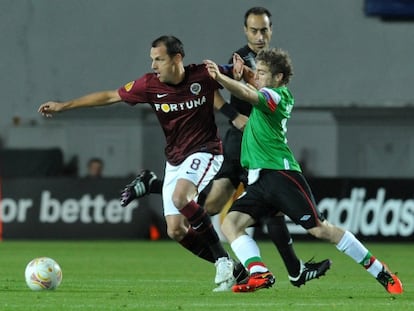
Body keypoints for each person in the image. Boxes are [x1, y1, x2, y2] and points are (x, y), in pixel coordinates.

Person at [121, 7, 331, 289]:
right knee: (214, 203)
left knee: (261, 207)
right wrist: (235, 116)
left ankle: (295, 270)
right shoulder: (241, 59)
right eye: (254, 30)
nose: (259, 35)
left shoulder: (270, 61)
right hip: (239, 139)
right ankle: (159, 186)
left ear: (271, 30)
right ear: (246, 31)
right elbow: (211, 91)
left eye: (264, 30)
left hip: (260, 144)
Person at [38, 35, 248, 291]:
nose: (153, 65)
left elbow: (235, 72)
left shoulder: (203, 74)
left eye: (159, 59)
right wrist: (64, 106)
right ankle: (234, 269)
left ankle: (224, 261)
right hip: (175, 158)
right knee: (176, 231)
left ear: (177, 58)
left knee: (182, 198)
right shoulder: (149, 85)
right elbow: (108, 96)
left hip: (207, 151)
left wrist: (242, 71)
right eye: (152, 60)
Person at [203, 48, 403, 294]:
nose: (259, 76)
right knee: (231, 224)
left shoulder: (277, 96)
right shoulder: (268, 89)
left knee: (319, 229)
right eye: (258, 72)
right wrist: (245, 72)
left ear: (278, 77)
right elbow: (252, 83)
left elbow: (248, 92)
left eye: (264, 73)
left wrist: (221, 79)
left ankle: (380, 271)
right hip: (258, 179)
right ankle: (259, 272)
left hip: (280, 175)